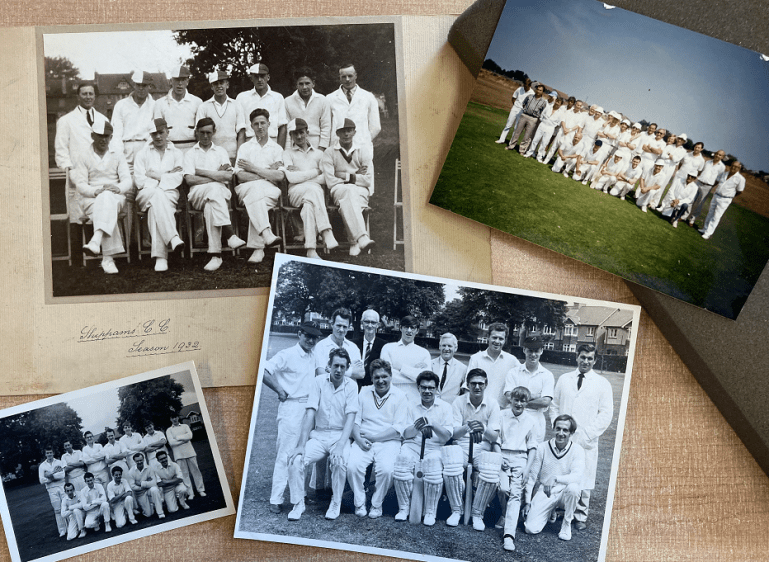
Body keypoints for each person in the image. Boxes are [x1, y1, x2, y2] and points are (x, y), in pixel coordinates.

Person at [287, 348, 359, 520]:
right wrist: (301, 445)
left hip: (339, 437)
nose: (338, 370)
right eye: (335, 365)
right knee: (296, 460)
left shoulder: (352, 386)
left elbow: (350, 418)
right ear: (328, 365)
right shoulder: (318, 382)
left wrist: (341, 446)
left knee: (339, 461)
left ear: (347, 367)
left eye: (343, 366)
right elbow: (310, 413)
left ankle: (335, 503)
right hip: (318, 436)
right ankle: (298, 504)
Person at [261, 321, 323, 515]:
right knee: (285, 453)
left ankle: (300, 495)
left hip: (310, 408)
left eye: (314, 337)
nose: (311, 340)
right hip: (292, 407)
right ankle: (276, 498)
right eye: (307, 335)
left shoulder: (315, 356)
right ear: (299, 334)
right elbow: (263, 370)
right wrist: (279, 389)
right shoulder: (287, 354)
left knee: (302, 453)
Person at [550, 344, 614, 530]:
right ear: (576, 357)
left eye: (590, 358)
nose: (586, 361)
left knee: (584, 476)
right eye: (583, 357)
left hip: (586, 439)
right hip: (563, 437)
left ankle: (580, 515)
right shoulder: (564, 379)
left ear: (594, 360)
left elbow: (606, 414)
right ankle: (555, 509)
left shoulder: (602, 383)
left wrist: (587, 435)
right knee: (560, 471)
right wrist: (559, 426)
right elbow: (554, 406)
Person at [346, 359, 408, 519]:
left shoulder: (400, 396)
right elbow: (355, 420)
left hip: (388, 441)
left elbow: (398, 429)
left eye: (384, 376)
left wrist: (374, 437)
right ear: (372, 378)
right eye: (376, 377)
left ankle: (376, 504)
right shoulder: (364, 392)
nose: (381, 381)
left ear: (391, 376)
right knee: (352, 466)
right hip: (363, 439)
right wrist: (359, 440)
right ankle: (359, 501)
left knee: (387, 470)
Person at [183, 117, 246, 271]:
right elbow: (190, 180)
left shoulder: (221, 151)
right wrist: (216, 175)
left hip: (217, 194)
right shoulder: (190, 154)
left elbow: (227, 177)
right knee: (214, 189)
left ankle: (215, 255)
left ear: (214, 132)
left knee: (211, 204)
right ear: (197, 132)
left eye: (209, 133)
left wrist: (201, 172)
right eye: (202, 132)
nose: (205, 136)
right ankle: (229, 234)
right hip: (197, 194)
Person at [392, 371, 453, 524]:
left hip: (435, 447)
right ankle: (404, 508)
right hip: (412, 444)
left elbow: (446, 436)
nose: (427, 391)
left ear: (437, 389)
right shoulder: (408, 404)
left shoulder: (445, 407)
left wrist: (431, 423)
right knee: (402, 461)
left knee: (433, 467)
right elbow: (405, 434)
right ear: (418, 388)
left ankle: (430, 511)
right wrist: (418, 427)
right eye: (423, 387)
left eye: (431, 388)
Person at [72, 120, 132, 274]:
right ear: (93, 135)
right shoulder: (84, 155)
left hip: (116, 196)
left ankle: (96, 240)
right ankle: (108, 259)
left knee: (107, 198)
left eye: (107, 136)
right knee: (105, 201)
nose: (103, 139)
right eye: (100, 136)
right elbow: (80, 184)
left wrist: (117, 188)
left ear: (111, 137)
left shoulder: (117, 154)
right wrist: (95, 191)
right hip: (91, 199)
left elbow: (127, 180)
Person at [451, 368, 502, 527]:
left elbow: (494, 436)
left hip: (482, 447)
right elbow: (453, 434)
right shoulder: (458, 402)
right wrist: (467, 427)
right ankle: (456, 510)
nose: (477, 387)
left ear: (486, 384)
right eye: (473, 384)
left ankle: (477, 513)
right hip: (463, 445)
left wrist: (483, 427)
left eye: (481, 383)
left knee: (491, 472)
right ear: (467, 385)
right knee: (452, 467)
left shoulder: (493, 403)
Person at [282, 117, 339, 259]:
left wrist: (301, 175)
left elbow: (325, 178)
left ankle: (311, 249)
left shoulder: (320, 154)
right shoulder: (287, 153)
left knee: (309, 206)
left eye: (301, 132)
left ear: (307, 132)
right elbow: (291, 178)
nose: (299, 136)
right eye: (295, 134)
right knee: (314, 189)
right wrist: (315, 172)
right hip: (295, 193)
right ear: (291, 136)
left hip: (312, 194)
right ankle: (326, 232)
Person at [134, 117, 186, 272]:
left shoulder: (177, 153)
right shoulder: (142, 154)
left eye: (160, 133)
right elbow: (139, 180)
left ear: (167, 132)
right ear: (150, 135)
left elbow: (178, 178)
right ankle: (172, 237)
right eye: (154, 133)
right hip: (146, 194)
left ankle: (161, 258)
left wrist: (156, 175)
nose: (157, 137)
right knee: (157, 196)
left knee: (155, 208)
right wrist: (166, 175)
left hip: (169, 194)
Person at [233, 108, 284, 265]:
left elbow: (280, 176)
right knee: (255, 192)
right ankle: (266, 235)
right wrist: (268, 172)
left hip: (269, 191)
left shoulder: (277, 149)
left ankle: (258, 248)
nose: (260, 126)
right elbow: (240, 176)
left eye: (263, 123)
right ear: (251, 127)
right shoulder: (245, 148)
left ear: (269, 124)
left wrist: (253, 168)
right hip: (246, 188)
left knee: (255, 199)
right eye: (256, 124)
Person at [523, 414, 585, 541]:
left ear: (571, 432)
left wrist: (556, 478)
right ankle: (550, 511)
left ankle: (566, 523)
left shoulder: (578, 450)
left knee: (574, 489)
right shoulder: (542, 447)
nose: (561, 433)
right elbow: (532, 476)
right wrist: (527, 501)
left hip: (565, 492)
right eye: (558, 428)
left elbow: (577, 477)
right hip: (546, 491)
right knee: (530, 528)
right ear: (554, 428)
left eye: (565, 430)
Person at [54, 83, 109, 223]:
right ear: (78, 96)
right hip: (77, 175)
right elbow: (61, 150)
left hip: (99, 174)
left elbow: (110, 147)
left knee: (102, 214)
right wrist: (70, 170)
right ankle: (80, 244)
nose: (88, 97)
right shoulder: (66, 120)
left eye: (91, 94)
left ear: (95, 96)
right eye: (84, 94)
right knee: (79, 218)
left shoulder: (103, 119)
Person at [320, 118, 376, 256]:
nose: (346, 134)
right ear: (337, 133)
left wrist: (343, 175)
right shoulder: (329, 152)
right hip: (338, 189)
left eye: (349, 131)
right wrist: (356, 175)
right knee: (349, 191)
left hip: (359, 191)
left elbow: (368, 180)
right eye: (342, 131)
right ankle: (361, 237)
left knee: (350, 196)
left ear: (354, 132)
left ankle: (354, 241)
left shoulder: (362, 150)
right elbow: (330, 180)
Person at [497, 386, 538, 551]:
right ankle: (504, 513)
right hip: (502, 455)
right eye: (516, 399)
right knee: (502, 488)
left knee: (515, 494)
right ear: (510, 399)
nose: (519, 403)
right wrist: (499, 458)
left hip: (521, 458)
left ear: (527, 403)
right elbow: (496, 441)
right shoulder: (501, 415)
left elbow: (533, 448)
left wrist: (527, 470)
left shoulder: (530, 420)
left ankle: (509, 535)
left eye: (523, 401)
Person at [504, 335, 554, 443]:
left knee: (533, 454)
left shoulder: (547, 375)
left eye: (536, 351)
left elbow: (545, 401)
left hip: (536, 420)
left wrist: (519, 400)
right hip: (514, 419)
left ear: (541, 351)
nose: (533, 354)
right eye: (530, 351)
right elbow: (509, 396)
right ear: (524, 350)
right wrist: (535, 397)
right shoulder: (513, 372)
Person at [327, 63, 381, 160]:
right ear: (339, 78)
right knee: (340, 174)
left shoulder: (368, 97)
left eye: (350, 76)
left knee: (363, 174)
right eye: (344, 76)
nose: (347, 79)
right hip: (338, 146)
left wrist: (363, 139)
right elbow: (328, 125)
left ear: (355, 75)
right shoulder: (330, 98)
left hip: (362, 146)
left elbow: (376, 126)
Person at [195, 70, 246, 162]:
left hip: (232, 154)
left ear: (227, 84)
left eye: (221, 83)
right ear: (212, 87)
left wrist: (239, 155)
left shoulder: (236, 105)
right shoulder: (203, 106)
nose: (219, 86)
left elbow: (241, 132)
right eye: (215, 84)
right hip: (210, 155)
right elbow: (199, 133)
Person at [110, 70, 156, 171]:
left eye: (144, 85)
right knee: (126, 182)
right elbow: (116, 133)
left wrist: (147, 151)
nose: (141, 88)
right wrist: (119, 153)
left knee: (146, 182)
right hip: (126, 148)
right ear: (133, 85)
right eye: (138, 85)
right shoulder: (121, 105)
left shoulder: (155, 106)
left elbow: (155, 131)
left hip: (147, 148)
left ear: (149, 86)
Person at [381, 315, 432, 404]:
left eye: (412, 328)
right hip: (391, 399)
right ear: (400, 328)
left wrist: (401, 369)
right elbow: (386, 375)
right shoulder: (388, 348)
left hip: (414, 401)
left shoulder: (424, 353)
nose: (409, 330)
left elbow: (426, 379)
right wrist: (415, 375)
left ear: (417, 331)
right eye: (406, 327)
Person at [466, 322, 519, 408]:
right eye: (494, 337)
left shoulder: (512, 361)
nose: (497, 341)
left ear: (505, 340)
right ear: (488, 337)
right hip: (479, 408)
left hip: (502, 410)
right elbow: (467, 386)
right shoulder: (476, 358)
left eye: (501, 339)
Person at [236, 63, 288, 147]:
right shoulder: (242, 97)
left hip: (272, 143)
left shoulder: (278, 97)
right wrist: (240, 154)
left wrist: (280, 151)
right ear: (251, 78)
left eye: (262, 76)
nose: (259, 80)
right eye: (256, 76)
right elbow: (241, 129)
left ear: (268, 77)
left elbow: (282, 127)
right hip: (250, 143)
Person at [152, 65, 201, 152]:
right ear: (171, 81)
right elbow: (158, 129)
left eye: (183, 80)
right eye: (177, 80)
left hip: (191, 148)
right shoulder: (159, 103)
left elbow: (200, 129)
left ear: (187, 82)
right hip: (169, 149)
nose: (180, 83)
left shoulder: (197, 102)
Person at [285, 67, 332, 150]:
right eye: (301, 84)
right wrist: (288, 150)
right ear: (296, 85)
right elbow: (287, 128)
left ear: (313, 83)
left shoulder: (323, 100)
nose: (304, 87)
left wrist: (322, 148)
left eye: (307, 83)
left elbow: (326, 127)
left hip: (316, 143)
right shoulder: (288, 101)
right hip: (295, 144)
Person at [699, 160, 745, 240]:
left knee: (716, 216)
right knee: (710, 213)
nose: (733, 167)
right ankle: (705, 229)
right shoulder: (724, 173)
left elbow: (740, 191)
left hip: (725, 199)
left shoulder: (740, 179)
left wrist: (730, 196)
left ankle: (708, 233)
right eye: (732, 165)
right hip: (716, 196)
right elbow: (717, 181)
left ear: (739, 168)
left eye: (736, 167)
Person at [313, 308, 364, 379]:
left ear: (349, 327)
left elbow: (361, 374)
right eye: (338, 325)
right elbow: (321, 374)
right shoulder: (321, 346)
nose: (341, 330)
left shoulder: (353, 347)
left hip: (349, 390)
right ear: (332, 324)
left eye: (345, 327)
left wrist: (332, 371)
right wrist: (351, 371)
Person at [166, 412, 205, 500]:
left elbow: (190, 436)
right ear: (170, 419)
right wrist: (184, 440)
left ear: (178, 418)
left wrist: (178, 438)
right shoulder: (169, 430)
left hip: (190, 452)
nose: (174, 419)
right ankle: (190, 493)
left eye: (175, 417)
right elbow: (171, 443)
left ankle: (200, 490)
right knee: (184, 474)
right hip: (179, 455)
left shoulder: (185, 426)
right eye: (172, 418)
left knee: (196, 471)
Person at [687, 149, 726, 227]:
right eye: (717, 154)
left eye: (720, 155)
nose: (718, 155)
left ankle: (692, 219)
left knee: (699, 203)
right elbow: (701, 172)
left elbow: (718, 180)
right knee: (690, 199)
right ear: (715, 154)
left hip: (707, 186)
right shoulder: (708, 162)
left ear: (722, 157)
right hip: (698, 182)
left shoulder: (722, 167)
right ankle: (684, 216)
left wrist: (710, 186)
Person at [506, 83, 547, 154]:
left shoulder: (543, 102)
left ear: (542, 92)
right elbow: (523, 104)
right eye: (537, 89)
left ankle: (521, 150)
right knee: (517, 132)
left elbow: (542, 111)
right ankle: (511, 146)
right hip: (524, 115)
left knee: (527, 135)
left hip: (533, 119)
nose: (538, 91)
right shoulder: (529, 96)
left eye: (540, 90)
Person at [353, 309, 387, 389]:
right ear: (362, 323)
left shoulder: (384, 346)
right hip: (354, 387)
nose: (370, 325)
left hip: (374, 388)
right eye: (367, 322)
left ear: (378, 325)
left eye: (373, 322)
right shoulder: (353, 344)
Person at [524, 96, 565, 162]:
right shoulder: (548, 107)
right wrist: (543, 121)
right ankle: (530, 152)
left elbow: (558, 123)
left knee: (544, 143)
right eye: (556, 101)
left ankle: (539, 156)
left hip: (550, 128)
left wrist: (551, 125)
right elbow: (542, 115)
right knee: (535, 140)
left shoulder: (561, 113)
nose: (557, 103)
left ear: (561, 104)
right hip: (542, 125)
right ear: (555, 101)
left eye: (559, 103)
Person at [430, 332, 467, 404]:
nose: (446, 349)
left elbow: (464, 394)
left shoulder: (463, 369)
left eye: (449, 346)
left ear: (455, 348)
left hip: (451, 410)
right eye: (444, 345)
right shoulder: (430, 364)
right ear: (439, 347)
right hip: (431, 408)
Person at [39, 446, 67, 537]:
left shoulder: (59, 462)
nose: (49, 454)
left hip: (62, 486)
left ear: (53, 453)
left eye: (50, 452)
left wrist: (50, 475)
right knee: (57, 510)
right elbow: (41, 480)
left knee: (66, 507)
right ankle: (62, 530)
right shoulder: (42, 466)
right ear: (45, 454)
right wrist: (53, 477)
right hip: (51, 489)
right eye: (47, 453)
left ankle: (71, 527)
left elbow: (62, 475)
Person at [128, 452, 165, 519]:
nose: (139, 462)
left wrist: (141, 483)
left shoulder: (149, 468)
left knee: (154, 489)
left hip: (149, 490)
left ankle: (160, 513)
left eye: (141, 460)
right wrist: (147, 484)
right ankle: (150, 504)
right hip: (140, 493)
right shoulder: (131, 472)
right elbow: (132, 486)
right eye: (137, 461)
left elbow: (154, 483)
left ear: (144, 459)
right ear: (134, 461)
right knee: (148, 514)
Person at [496, 77, 533, 144]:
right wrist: (515, 105)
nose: (525, 87)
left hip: (522, 111)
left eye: (526, 86)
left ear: (530, 85)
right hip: (515, 108)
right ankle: (501, 139)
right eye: (524, 85)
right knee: (508, 124)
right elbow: (513, 97)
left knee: (516, 128)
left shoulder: (532, 93)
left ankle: (511, 143)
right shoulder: (519, 89)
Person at [543, 97, 578, 164]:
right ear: (568, 101)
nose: (570, 103)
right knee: (550, 141)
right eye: (570, 101)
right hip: (556, 126)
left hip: (563, 129)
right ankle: (544, 154)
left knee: (560, 145)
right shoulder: (562, 107)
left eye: (572, 102)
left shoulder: (572, 111)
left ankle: (552, 157)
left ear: (573, 103)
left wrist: (566, 129)